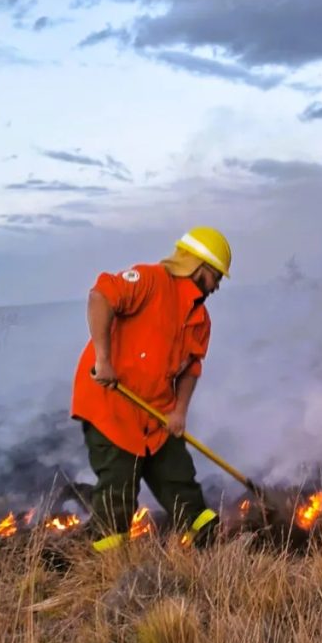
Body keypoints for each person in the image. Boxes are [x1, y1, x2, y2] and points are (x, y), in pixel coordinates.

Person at [70, 226, 230, 551]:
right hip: (110, 405)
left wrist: (179, 411)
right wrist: (103, 359)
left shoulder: (201, 319)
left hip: (155, 415)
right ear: (202, 268)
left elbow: (191, 368)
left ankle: (207, 543)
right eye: (217, 277)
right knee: (119, 486)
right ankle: (107, 563)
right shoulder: (149, 280)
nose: (218, 285)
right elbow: (99, 296)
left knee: (179, 476)